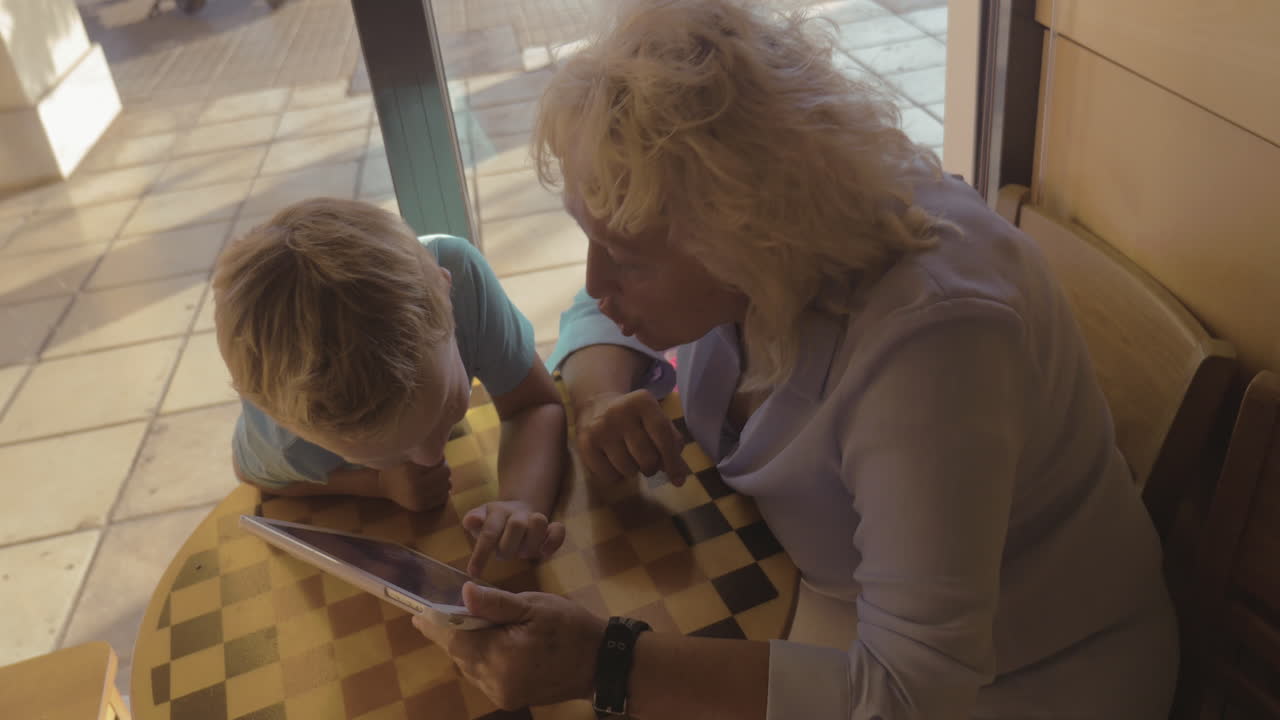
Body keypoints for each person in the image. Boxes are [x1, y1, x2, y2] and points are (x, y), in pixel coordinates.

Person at [410, 0, 1180, 718]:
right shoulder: (779, 234)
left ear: (740, 237)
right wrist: (601, 399)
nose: (592, 282)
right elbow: (598, 308)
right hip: (824, 604)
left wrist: (606, 664)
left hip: (1032, 676)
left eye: (624, 257)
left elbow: (913, 691)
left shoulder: (935, 350)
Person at [212, 197, 566, 575]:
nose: (433, 458)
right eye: (386, 454)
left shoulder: (459, 275)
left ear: (447, 294)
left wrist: (522, 501)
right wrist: (376, 483)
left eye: (446, 406)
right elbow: (253, 473)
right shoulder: (286, 439)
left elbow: (536, 405)